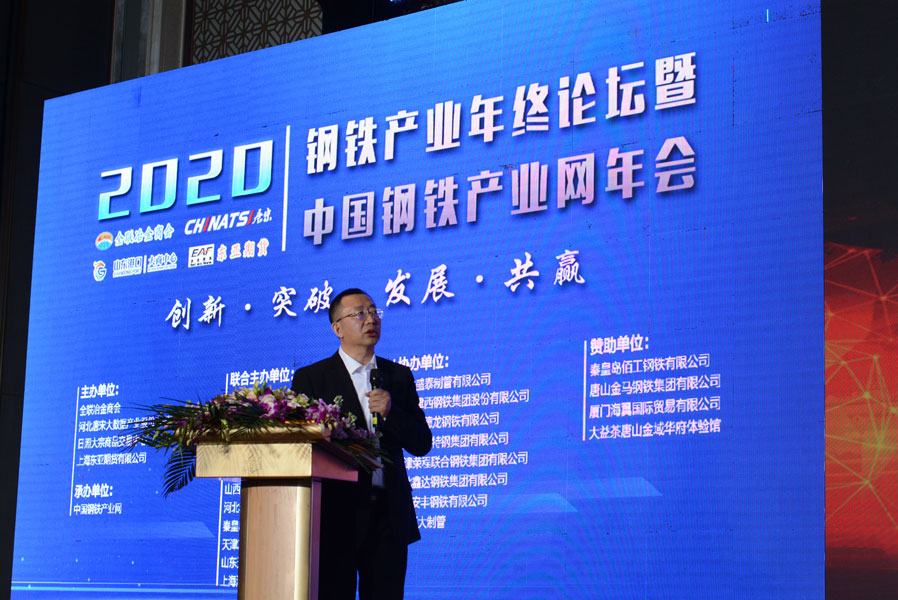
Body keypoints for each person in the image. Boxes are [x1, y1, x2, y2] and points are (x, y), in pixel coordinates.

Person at [291, 288, 432, 600]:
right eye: (360, 313)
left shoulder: (398, 376)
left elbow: (422, 443)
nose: (371, 319)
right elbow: (303, 448)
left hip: (388, 515)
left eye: (373, 311)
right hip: (335, 515)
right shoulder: (312, 378)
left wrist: (392, 412)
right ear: (337, 328)